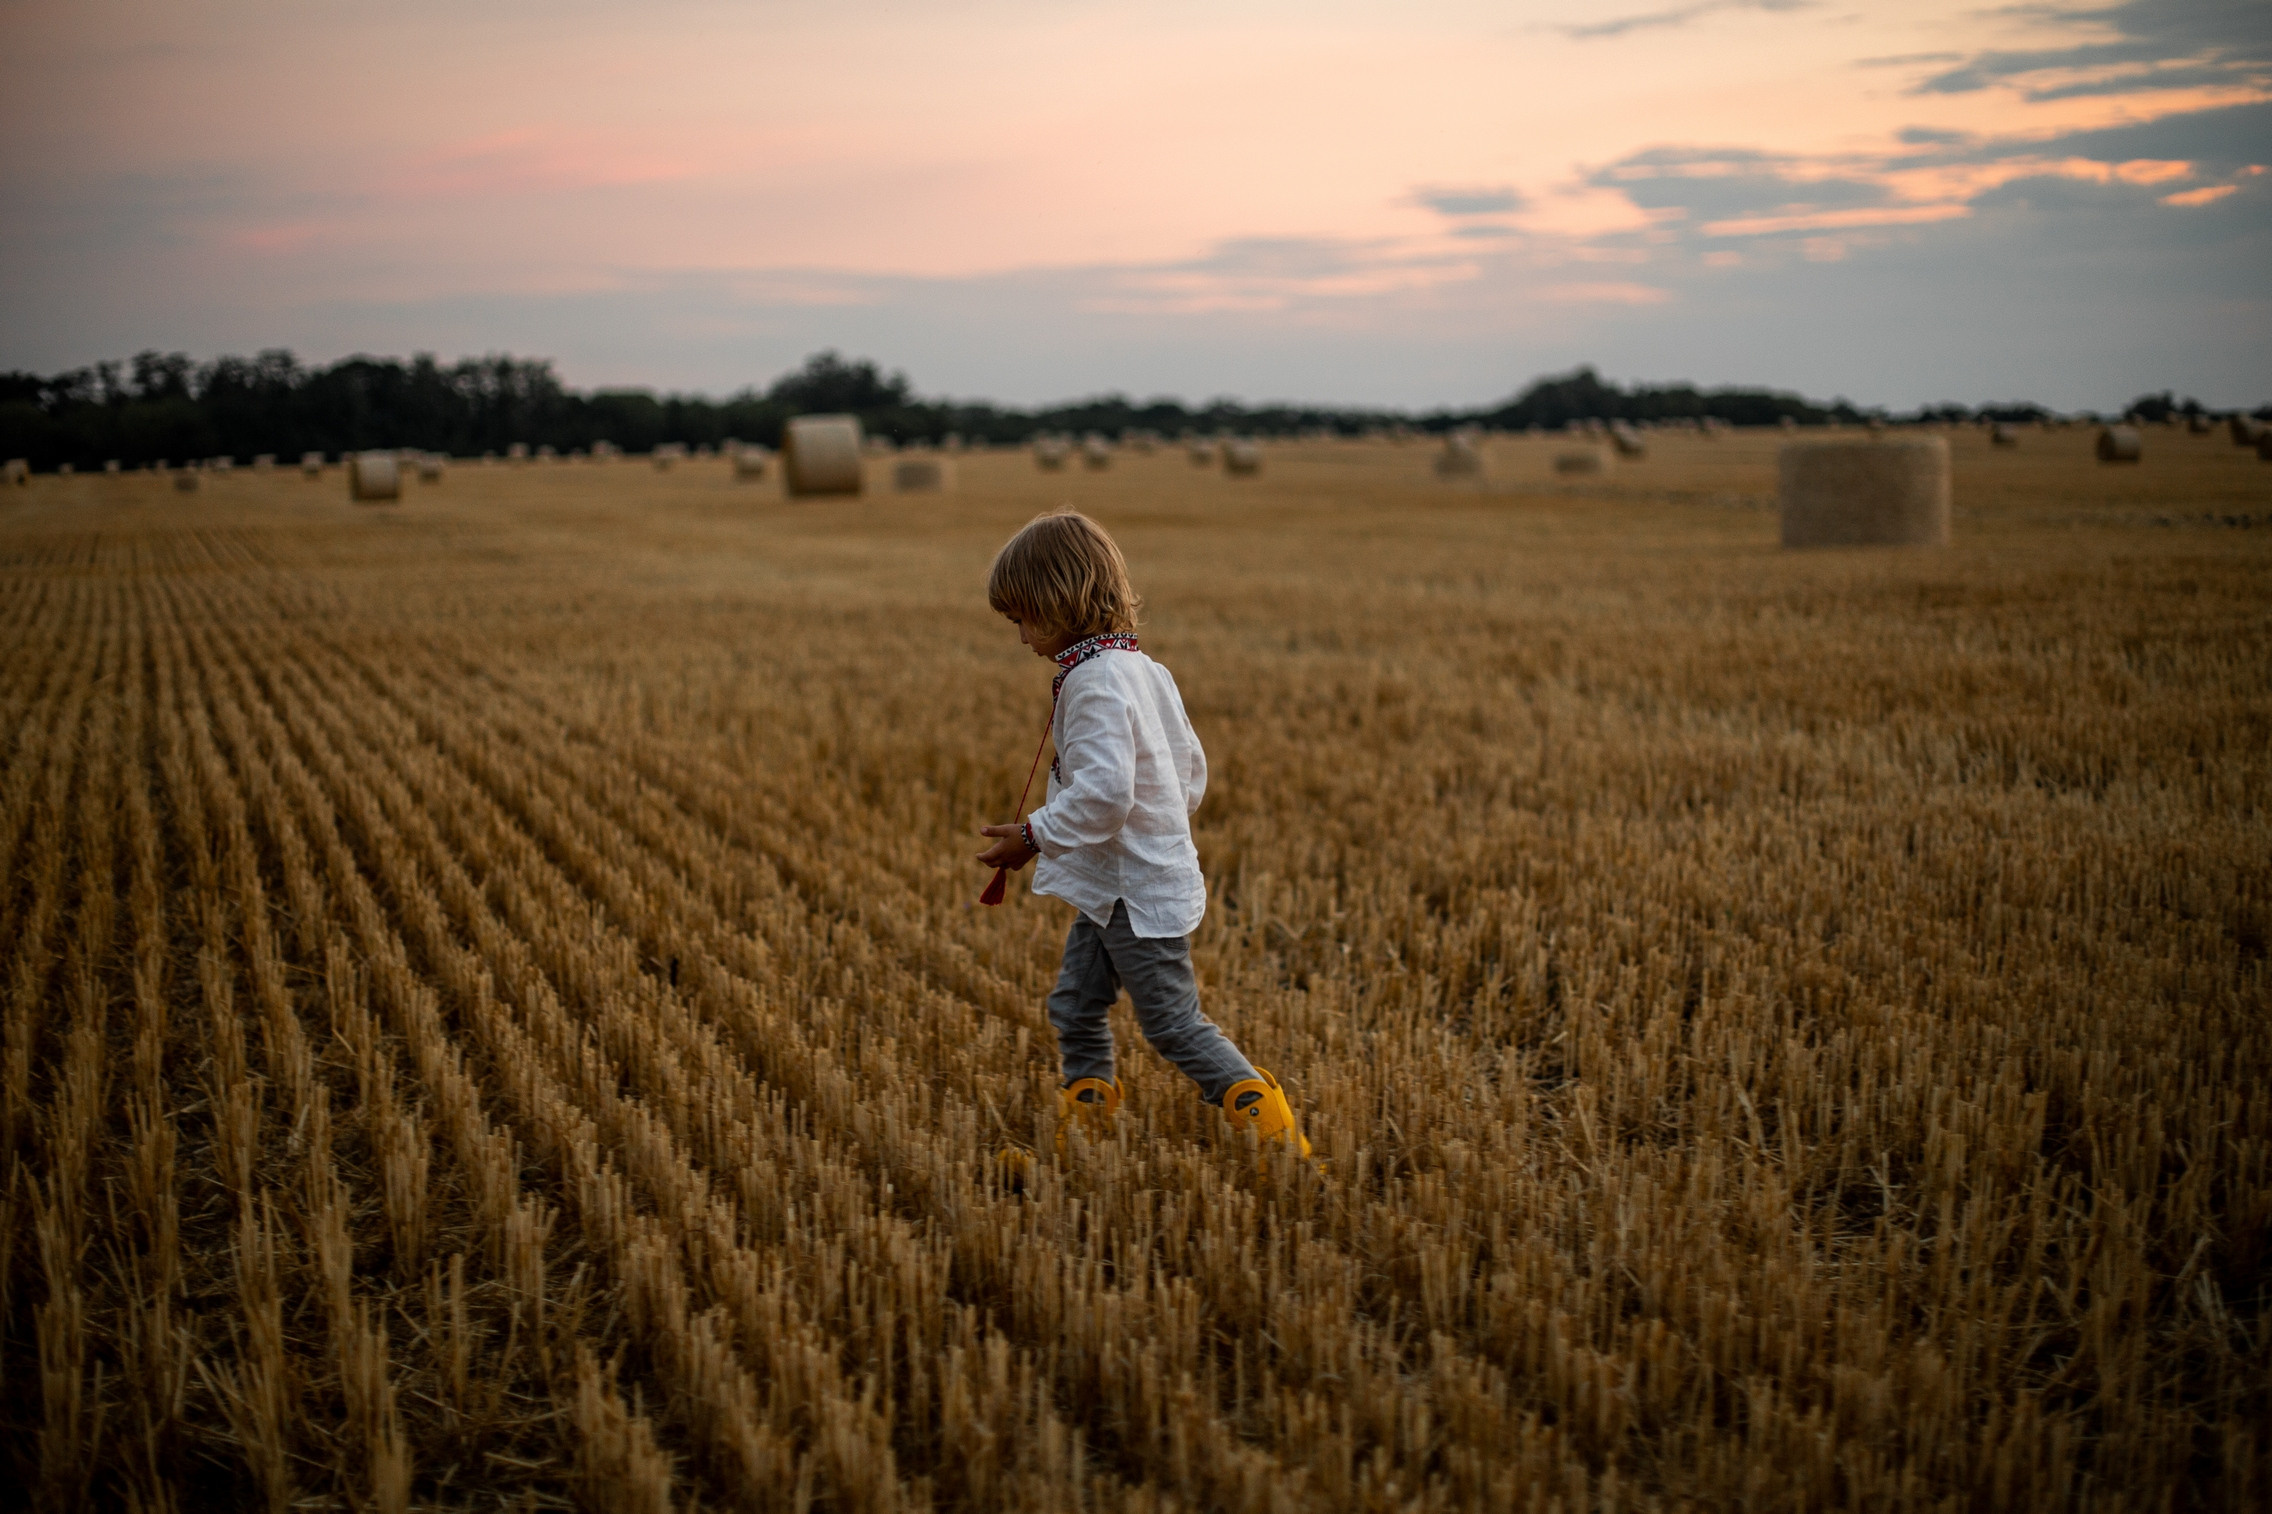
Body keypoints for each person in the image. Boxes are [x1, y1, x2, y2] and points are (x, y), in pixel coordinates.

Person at [977, 509, 1310, 1160]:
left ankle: (1272, 1132)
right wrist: (1159, 831)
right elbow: (1190, 770)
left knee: (1173, 1025)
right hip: (1119, 886)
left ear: (1057, 602)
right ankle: (1090, 1120)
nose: (1019, 637)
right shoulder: (1141, 668)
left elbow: (1104, 794)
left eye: (1022, 618)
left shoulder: (1096, 682)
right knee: (1074, 1003)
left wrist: (1035, 835)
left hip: (1133, 896)